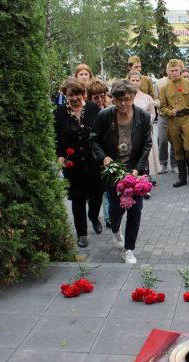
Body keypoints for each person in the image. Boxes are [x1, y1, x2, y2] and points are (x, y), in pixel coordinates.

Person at [89, 80, 152, 264]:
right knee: (116, 209)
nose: (123, 103)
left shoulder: (142, 117)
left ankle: (129, 249)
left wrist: (137, 168)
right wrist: (104, 158)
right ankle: (116, 229)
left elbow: (147, 143)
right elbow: (93, 140)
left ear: (133, 98)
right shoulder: (104, 116)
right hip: (113, 169)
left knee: (135, 209)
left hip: (133, 170)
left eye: (127, 99)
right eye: (119, 100)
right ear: (113, 100)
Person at [54, 78, 103, 248]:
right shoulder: (59, 113)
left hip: (93, 161)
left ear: (83, 94)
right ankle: (82, 233)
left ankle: (94, 216)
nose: (74, 98)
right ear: (65, 95)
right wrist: (59, 155)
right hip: (72, 165)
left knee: (97, 194)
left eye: (77, 94)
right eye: (70, 95)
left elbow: (101, 133)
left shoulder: (93, 109)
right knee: (77, 198)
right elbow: (56, 138)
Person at [159, 59, 189, 187]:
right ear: (168, 72)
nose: (175, 73)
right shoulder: (165, 87)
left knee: (188, 147)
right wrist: (169, 112)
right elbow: (162, 107)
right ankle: (182, 177)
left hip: (187, 118)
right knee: (177, 148)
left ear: (180, 70)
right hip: (173, 120)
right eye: (172, 71)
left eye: (176, 70)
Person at [87, 78, 113, 228]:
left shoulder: (108, 108)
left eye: (102, 96)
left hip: (108, 152)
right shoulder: (89, 112)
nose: (100, 99)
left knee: (108, 185)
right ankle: (96, 215)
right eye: (96, 97)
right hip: (94, 155)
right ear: (90, 97)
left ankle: (109, 216)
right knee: (98, 189)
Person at [129, 70, 160, 193]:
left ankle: (145, 184)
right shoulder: (126, 97)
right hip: (128, 132)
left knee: (145, 156)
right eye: (133, 80)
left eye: (137, 80)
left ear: (140, 82)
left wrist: (144, 120)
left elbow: (153, 115)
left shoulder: (147, 98)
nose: (135, 83)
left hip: (144, 131)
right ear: (129, 81)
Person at [154, 64, 177, 174]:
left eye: (175, 70)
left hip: (176, 116)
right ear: (167, 70)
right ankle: (163, 163)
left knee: (175, 140)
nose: (173, 72)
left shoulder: (181, 82)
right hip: (163, 115)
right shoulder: (159, 83)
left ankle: (174, 164)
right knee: (162, 140)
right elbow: (155, 99)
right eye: (171, 70)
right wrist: (164, 106)